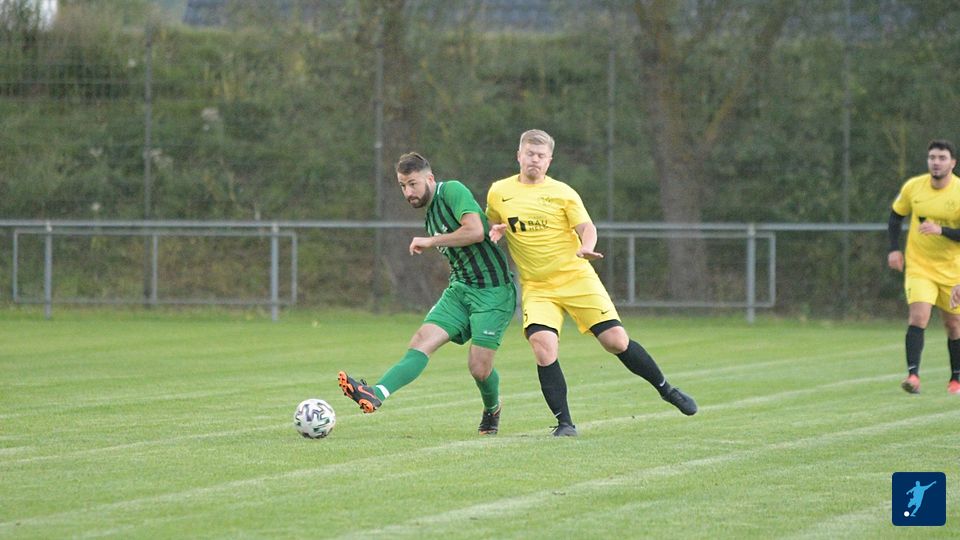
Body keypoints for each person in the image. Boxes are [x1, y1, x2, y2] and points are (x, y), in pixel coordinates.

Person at [485, 129, 697, 437]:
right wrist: (496, 230)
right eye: (530, 153)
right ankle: (565, 424)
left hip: (576, 278)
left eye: (541, 156)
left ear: (549, 161)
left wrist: (586, 246)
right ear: (519, 155)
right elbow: (493, 220)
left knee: (616, 341)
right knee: (543, 346)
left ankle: (666, 389)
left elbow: (587, 227)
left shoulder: (563, 193)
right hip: (538, 287)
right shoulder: (499, 192)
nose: (535, 160)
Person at [338, 152, 516, 435]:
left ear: (430, 179)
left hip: (492, 292)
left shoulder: (452, 191)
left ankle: (492, 408)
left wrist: (431, 241)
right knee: (421, 341)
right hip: (460, 289)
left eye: (413, 184)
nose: (408, 192)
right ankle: (376, 393)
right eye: (402, 186)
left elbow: (476, 231)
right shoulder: (430, 213)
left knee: (479, 368)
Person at [888, 139, 960, 395]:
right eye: (932, 157)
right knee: (918, 317)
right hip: (920, 267)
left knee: (953, 325)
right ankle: (913, 376)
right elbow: (895, 216)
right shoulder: (913, 187)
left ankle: (956, 379)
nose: (936, 162)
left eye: (942, 158)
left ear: (952, 163)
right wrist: (894, 248)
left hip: (952, 270)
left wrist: (941, 230)